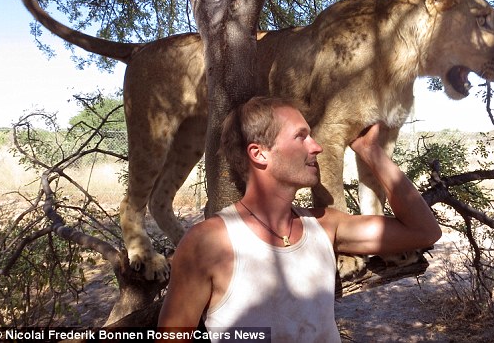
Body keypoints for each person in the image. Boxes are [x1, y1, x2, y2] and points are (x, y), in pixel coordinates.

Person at [157, 96, 441, 342]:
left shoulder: (324, 225)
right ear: (260, 154)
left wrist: (371, 152)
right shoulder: (207, 242)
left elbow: (424, 231)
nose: (316, 146)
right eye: (301, 136)